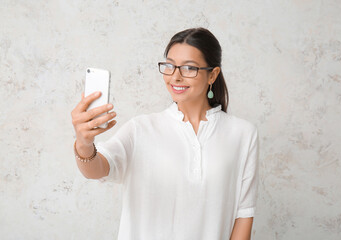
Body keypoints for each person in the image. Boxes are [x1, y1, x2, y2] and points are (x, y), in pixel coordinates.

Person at [71, 27, 259, 240]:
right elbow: (95, 170)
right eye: (169, 66)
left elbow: (243, 216)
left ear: (212, 75)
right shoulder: (141, 129)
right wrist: (84, 143)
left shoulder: (243, 134)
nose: (175, 77)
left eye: (189, 68)